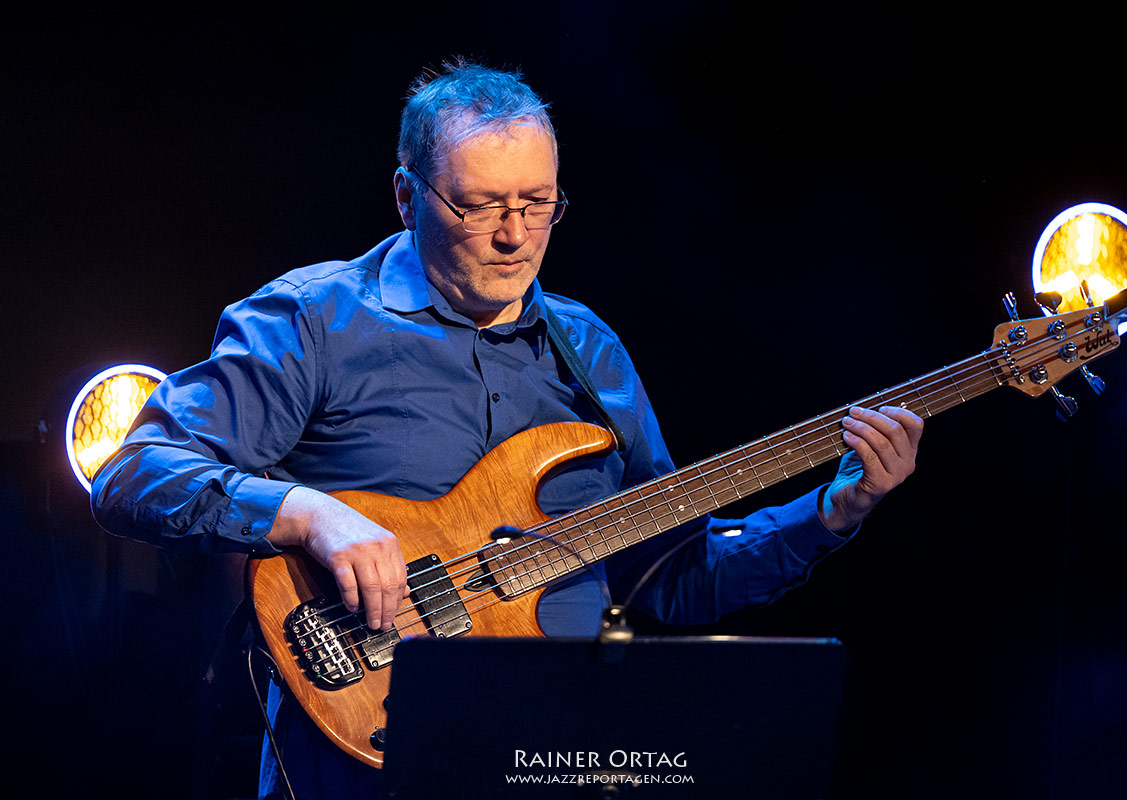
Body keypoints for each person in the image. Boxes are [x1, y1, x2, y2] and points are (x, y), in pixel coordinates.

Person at [91, 58, 922, 800]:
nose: (515, 235)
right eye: (481, 204)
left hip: (558, 756)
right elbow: (132, 473)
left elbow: (669, 573)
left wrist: (828, 516)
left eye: (539, 203)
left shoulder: (588, 349)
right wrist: (309, 512)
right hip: (365, 762)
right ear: (407, 195)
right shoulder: (314, 320)